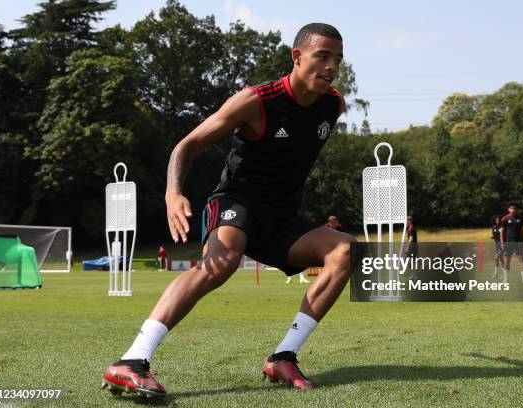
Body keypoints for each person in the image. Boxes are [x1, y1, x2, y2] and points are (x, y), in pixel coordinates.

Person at [102, 23, 353, 398]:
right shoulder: (256, 100)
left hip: (282, 218)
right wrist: (173, 193)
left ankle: (284, 356)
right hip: (237, 203)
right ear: (297, 57)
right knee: (223, 261)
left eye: (337, 59)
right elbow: (187, 145)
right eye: (322, 56)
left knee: (346, 249)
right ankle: (132, 359)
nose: (331, 67)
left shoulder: (333, 106)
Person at [500, 202, 523, 284]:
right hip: (509, 242)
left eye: (515, 208)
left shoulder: (520, 218)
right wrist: (502, 242)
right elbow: (502, 231)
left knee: (522, 259)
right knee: (507, 259)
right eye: (511, 208)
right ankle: (505, 279)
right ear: (508, 209)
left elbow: (522, 230)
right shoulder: (505, 219)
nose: (513, 209)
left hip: (519, 241)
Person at [406, 216, 419, 280]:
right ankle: (414, 273)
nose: (405, 222)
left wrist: (407, 247)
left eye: (406, 220)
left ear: (409, 221)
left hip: (412, 246)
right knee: (410, 262)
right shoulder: (410, 227)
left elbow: (411, 238)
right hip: (413, 246)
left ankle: (414, 274)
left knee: (410, 261)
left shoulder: (411, 228)